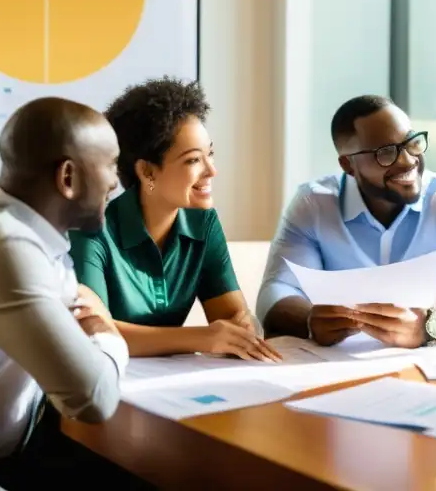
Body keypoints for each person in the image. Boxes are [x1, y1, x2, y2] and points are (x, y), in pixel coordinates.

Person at [0, 97, 148, 489]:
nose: (115, 181)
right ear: (68, 177)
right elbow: (93, 398)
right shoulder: (5, 248)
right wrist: (109, 335)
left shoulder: (9, 227)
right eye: (109, 163)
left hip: (0, 453)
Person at [256, 95, 436, 348]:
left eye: (412, 142)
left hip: (419, 368)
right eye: (385, 153)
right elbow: (276, 290)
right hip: (333, 370)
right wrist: (308, 320)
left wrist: (430, 326)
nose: (408, 161)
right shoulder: (313, 205)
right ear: (348, 165)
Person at [70, 78, 280, 362]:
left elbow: (230, 315)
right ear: (147, 172)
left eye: (211, 154)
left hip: (171, 386)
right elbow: (96, 334)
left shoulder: (202, 221)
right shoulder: (91, 231)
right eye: (194, 160)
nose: (212, 171)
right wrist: (203, 338)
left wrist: (243, 325)